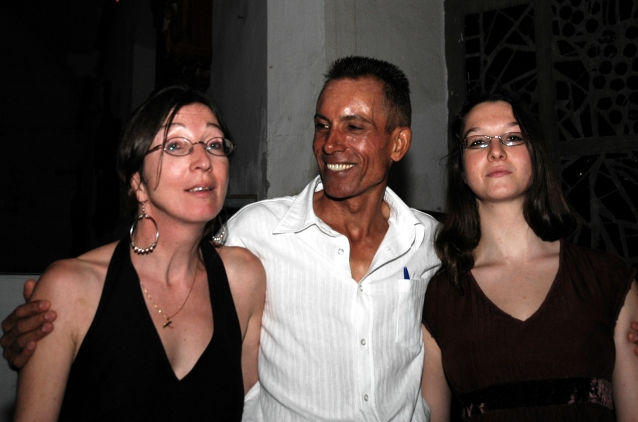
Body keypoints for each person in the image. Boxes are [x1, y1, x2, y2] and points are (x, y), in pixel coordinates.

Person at [11, 85, 266, 421]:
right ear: (138, 184)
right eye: (175, 145)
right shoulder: (72, 288)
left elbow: (252, 411)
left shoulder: (242, 278)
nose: (204, 161)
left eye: (214, 144)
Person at [421, 91, 638, 421]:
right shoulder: (438, 297)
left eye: (512, 137)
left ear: (536, 156)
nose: (496, 151)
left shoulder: (609, 280)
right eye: (478, 142)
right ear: (461, 170)